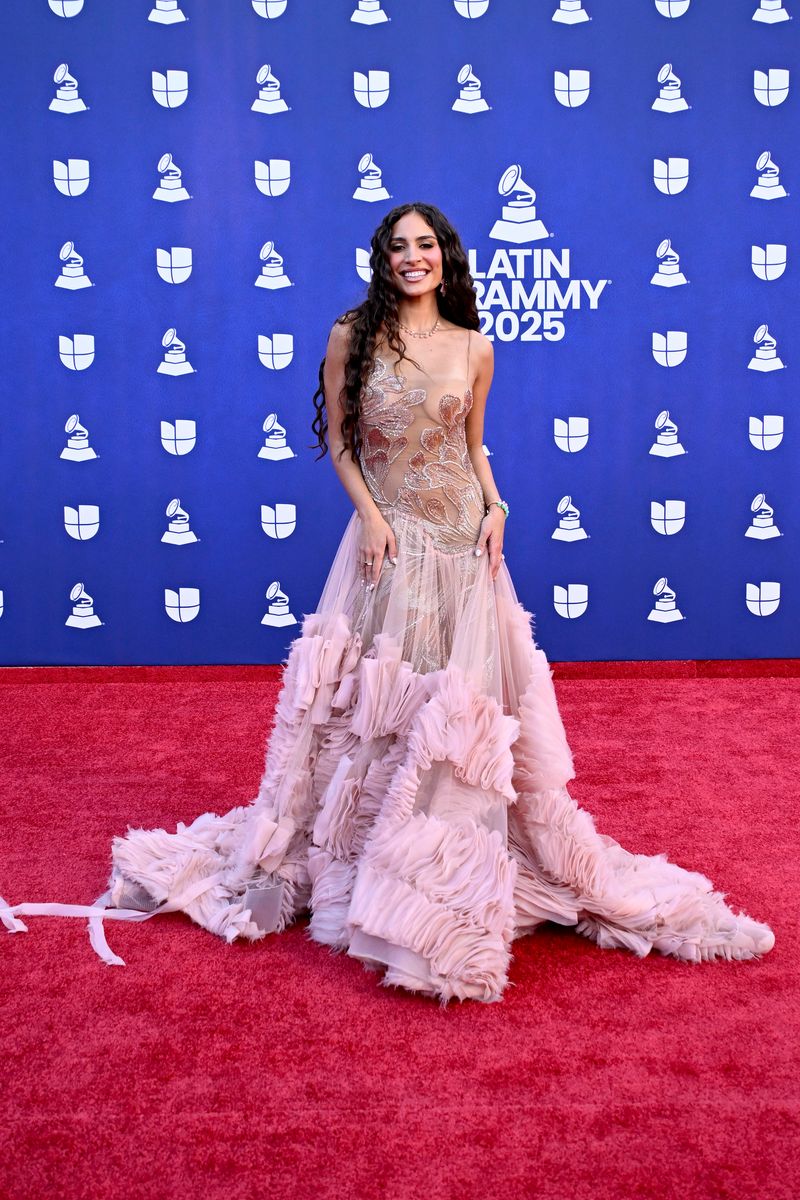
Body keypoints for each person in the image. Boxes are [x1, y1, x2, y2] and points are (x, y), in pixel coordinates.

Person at [1, 202, 775, 1004]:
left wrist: (499, 508)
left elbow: (472, 447)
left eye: (426, 245)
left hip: (464, 544)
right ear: (384, 260)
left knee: (458, 711)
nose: (414, 258)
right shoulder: (352, 336)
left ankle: (444, 858)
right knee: (375, 702)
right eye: (400, 247)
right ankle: (366, 852)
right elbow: (339, 441)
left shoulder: (477, 347)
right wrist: (371, 517)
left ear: (446, 258)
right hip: (392, 541)